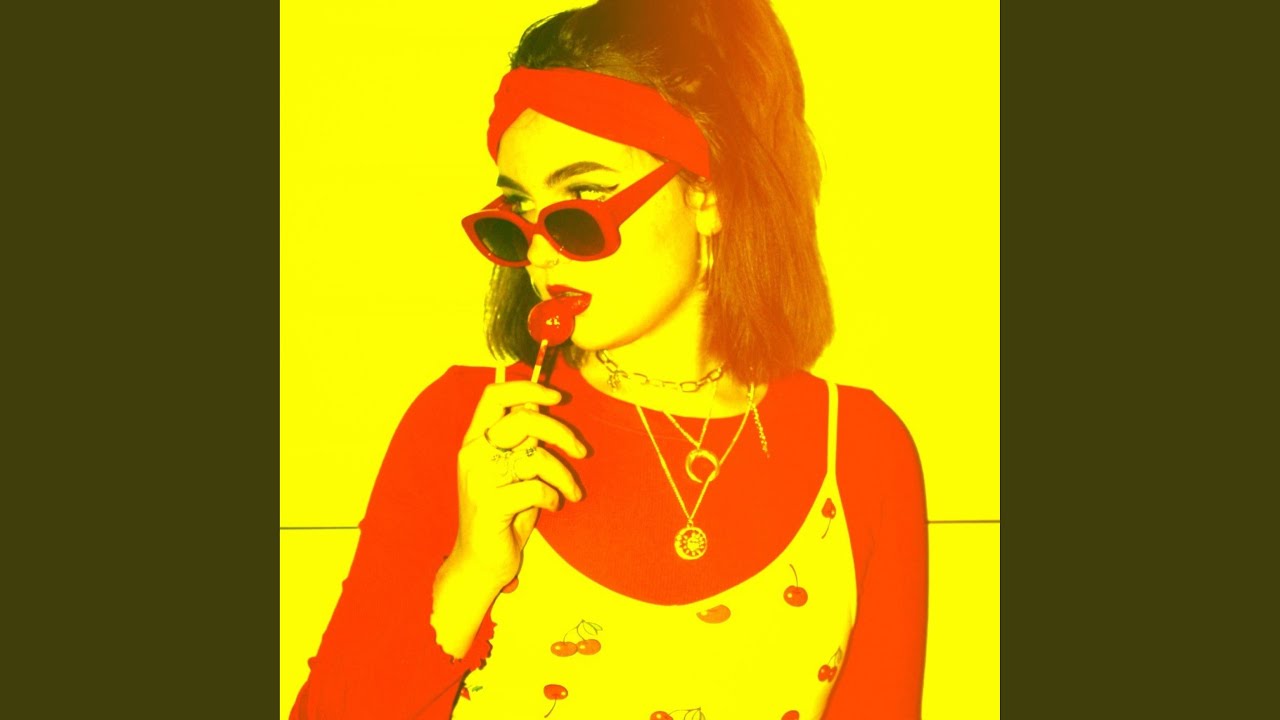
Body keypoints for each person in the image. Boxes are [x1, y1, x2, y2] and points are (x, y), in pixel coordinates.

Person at [290, 0, 927, 717]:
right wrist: (469, 573)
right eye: (519, 215)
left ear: (708, 194)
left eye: (582, 201)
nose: (540, 252)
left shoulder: (861, 449)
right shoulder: (469, 428)